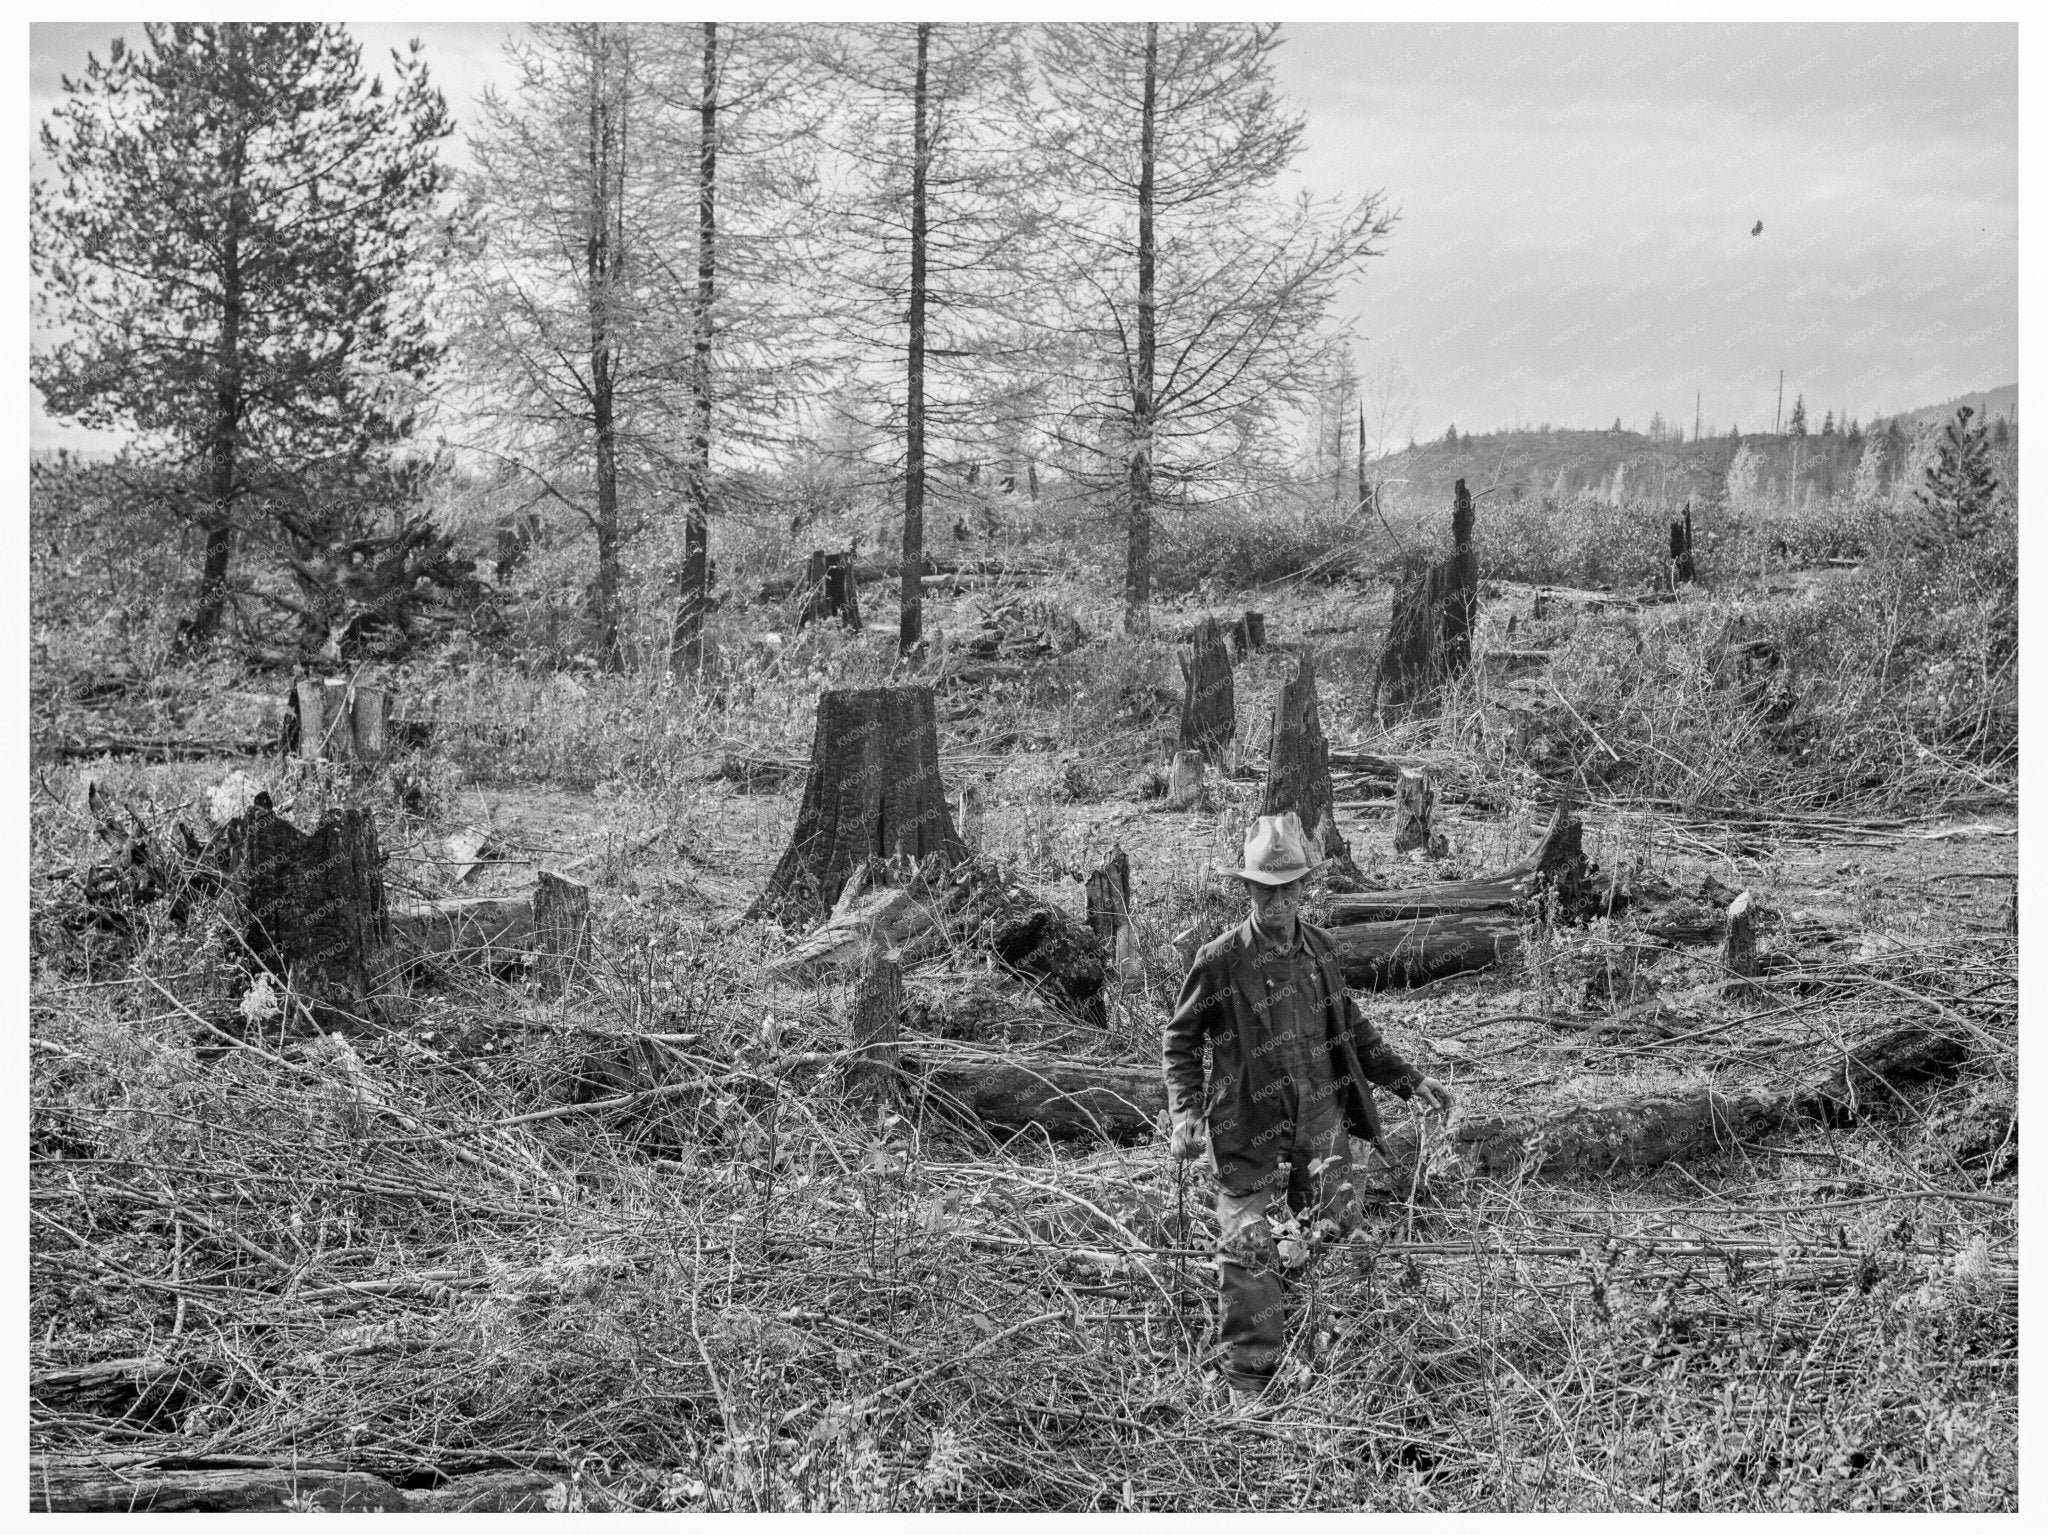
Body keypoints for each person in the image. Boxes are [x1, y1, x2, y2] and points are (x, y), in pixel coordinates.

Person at [1162, 812, 1454, 1400]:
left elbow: (1353, 1029)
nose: (1277, 899)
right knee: (1247, 1248)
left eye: (1288, 887)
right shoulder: (1219, 960)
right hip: (1249, 1126)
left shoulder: (1321, 949)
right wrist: (1186, 1112)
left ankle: (1329, 1352)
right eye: (1265, 888)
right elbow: (1181, 1041)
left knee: (1334, 1235)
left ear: (1304, 888)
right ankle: (1251, 1378)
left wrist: (1406, 1079)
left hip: (1320, 1123)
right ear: (1246, 888)